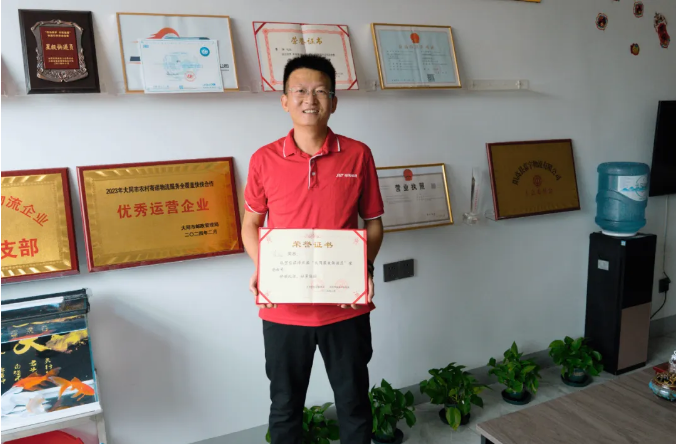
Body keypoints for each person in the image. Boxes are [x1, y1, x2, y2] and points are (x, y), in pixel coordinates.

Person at [241, 55, 385, 444]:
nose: (310, 99)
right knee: (285, 406)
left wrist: (365, 268)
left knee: (354, 403)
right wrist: (263, 268)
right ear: (284, 101)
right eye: (300, 91)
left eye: (321, 91)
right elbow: (251, 224)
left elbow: (373, 222)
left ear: (334, 102)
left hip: (345, 306)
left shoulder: (358, 154)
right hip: (284, 308)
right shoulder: (263, 159)